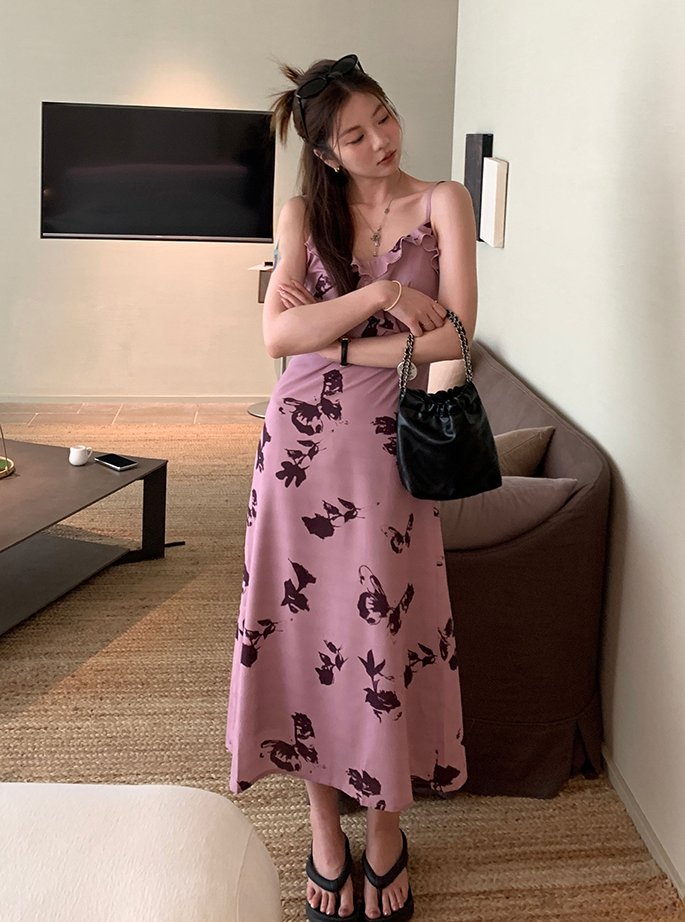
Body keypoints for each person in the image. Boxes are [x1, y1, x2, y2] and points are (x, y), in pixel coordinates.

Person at [226, 54, 479, 921]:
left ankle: (386, 827)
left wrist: (330, 339)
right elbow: (275, 339)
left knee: (383, 631)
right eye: (356, 135)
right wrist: (381, 295)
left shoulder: (443, 201)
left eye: (385, 118)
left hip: (386, 452)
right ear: (327, 153)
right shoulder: (302, 213)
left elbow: (455, 339)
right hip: (297, 450)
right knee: (303, 633)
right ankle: (324, 828)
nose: (381, 141)